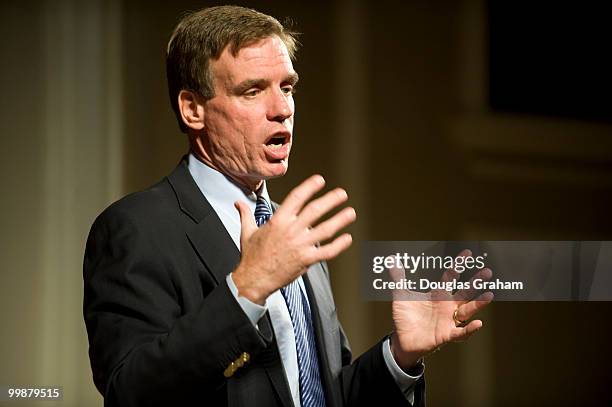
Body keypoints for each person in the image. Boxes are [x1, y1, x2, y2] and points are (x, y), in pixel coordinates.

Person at [83, 5, 490, 407]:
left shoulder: (289, 232)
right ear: (193, 108)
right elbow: (130, 393)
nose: (282, 109)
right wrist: (246, 290)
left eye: (287, 87)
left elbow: (323, 395)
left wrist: (400, 357)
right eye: (253, 90)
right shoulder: (137, 228)